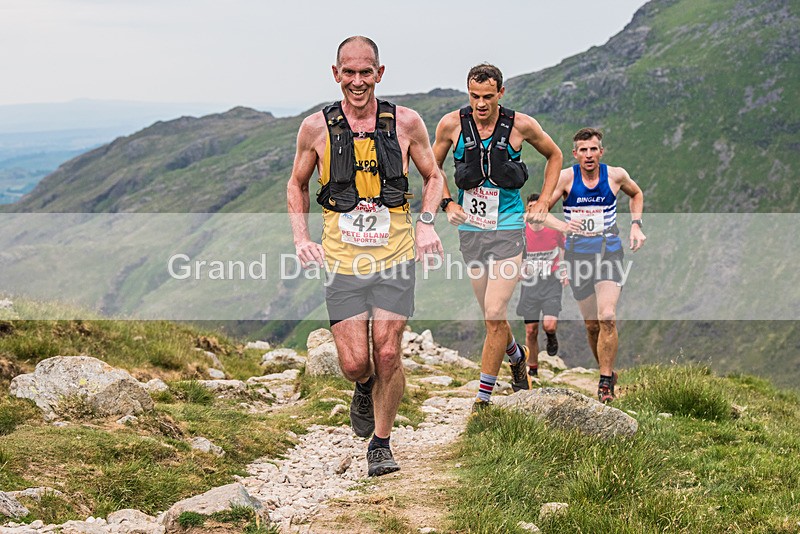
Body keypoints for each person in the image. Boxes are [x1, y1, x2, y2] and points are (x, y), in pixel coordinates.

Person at [287, 36, 444, 476]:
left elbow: (434, 176)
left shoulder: (407, 123)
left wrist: (427, 222)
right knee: (357, 362)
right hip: (342, 261)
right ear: (336, 74)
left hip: (395, 256)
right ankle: (363, 385)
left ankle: (380, 443)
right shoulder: (315, 128)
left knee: (389, 353)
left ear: (380, 73)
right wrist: (302, 239)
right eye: (349, 72)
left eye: (366, 71)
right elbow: (296, 185)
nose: (358, 81)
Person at [432, 63, 563, 410]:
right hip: (472, 232)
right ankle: (516, 355)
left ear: (501, 93)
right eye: (474, 96)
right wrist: (446, 203)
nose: (481, 104)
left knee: (493, 313)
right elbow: (431, 169)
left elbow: (555, 155)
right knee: (493, 318)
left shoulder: (521, 125)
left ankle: (483, 400)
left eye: (488, 97)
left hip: (507, 229)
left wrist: (545, 201)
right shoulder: (450, 125)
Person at [547, 127, 646, 403]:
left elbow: (636, 194)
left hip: (608, 251)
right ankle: (608, 372)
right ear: (575, 153)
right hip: (578, 256)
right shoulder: (566, 178)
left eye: (593, 149)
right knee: (592, 325)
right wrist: (564, 226)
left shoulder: (616, 175)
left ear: (601, 151)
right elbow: (538, 212)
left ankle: (604, 383)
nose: (589, 155)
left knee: (607, 316)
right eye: (583, 150)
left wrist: (636, 225)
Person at [516, 193, 567, 378]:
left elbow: (563, 247)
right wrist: (518, 269)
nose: (534, 211)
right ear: (527, 210)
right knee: (531, 330)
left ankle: (551, 336)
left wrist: (563, 268)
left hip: (551, 282)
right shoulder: (522, 230)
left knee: (549, 325)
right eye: (530, 207)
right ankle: (533, 369)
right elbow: (514, 250)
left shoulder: (554, 229)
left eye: (538, 207)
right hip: (530, 285)